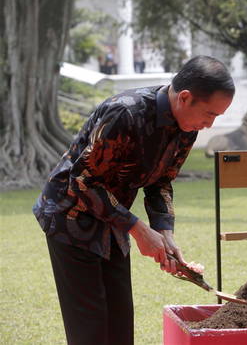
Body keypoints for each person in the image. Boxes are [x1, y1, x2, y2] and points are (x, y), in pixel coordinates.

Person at [33, 55, 234, 345]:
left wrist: (165, 234)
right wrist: (139, 230)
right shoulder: (124, 113)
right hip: (69, 216)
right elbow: (83, 182)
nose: (210, 124)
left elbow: (161, 181)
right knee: (90, 330)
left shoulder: (187, 127)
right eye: (210, 114)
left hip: (113, 218)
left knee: (119, 326)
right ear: (185, 98)